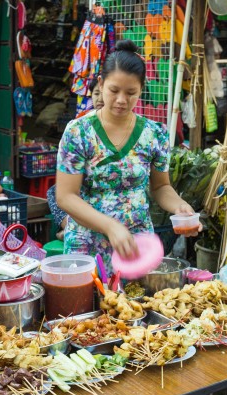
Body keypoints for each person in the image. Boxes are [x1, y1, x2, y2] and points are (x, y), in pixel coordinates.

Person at [55, 39, 199, 268]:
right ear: (101, 84)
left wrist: (179, 206)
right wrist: (110, 226)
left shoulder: (154, 134)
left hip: (137, 246)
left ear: (141, 88)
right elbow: (65, 196)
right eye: (114, 90)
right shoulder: (79, 132)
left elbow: (161, 187)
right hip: (87, 247)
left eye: (131, 92)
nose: (122, 100)